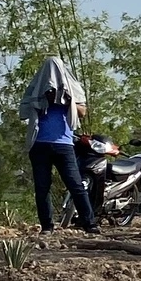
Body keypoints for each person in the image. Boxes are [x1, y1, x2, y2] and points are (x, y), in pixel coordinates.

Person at [18, 57, 95, 233]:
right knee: (42, 188)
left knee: (75, 185)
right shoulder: (37, 87)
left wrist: (66, 100)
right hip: (39, 144)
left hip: (64, 144)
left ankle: (89, 223)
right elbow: (25, 110)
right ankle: (47, 226)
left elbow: (82, 111)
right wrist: (44, 100)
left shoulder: (72, 87)